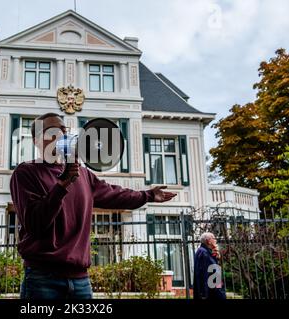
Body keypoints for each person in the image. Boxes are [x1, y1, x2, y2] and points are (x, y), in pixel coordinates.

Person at [10, 113, 177, 299]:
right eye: (53, 131)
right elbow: (35, 223)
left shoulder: (83, 174)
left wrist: (148, 195)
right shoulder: (26, 173)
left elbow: (115, 194)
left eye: (64, 130)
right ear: (36, 141)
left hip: (80, 280)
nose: (62, 135)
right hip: (42, 279)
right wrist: (61, 185)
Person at [193, 232, 227, 300]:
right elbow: (205, 275)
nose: (215, 240)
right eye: (214, 238)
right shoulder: (204, 253)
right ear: (208, 241)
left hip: (212, 291)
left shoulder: (207, 252)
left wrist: (216, 257)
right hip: (211, 293)